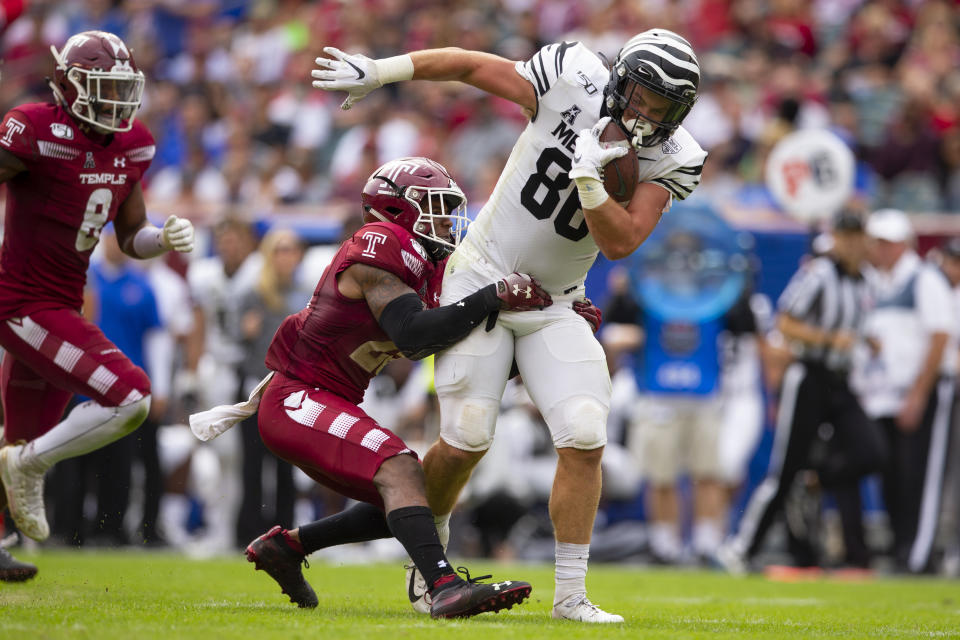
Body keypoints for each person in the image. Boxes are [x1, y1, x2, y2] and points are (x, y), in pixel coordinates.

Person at [312, 28, 706, 622]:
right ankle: (431, 566)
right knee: (467, 436)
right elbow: (471, 66)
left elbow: (621, 241)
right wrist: (381, 71)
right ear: (621, 79)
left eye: (665, 105)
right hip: (483, 277)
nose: (650, 112)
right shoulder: (574, 76)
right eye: (644, 94)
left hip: (554, 299)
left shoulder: (675, 156)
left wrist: (592, 182)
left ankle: (571, 595)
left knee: (584, 430)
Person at [191, 157, 556, 618]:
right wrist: (494, 295)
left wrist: (546, 324)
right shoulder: (377, 243)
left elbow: (451, 350)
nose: (446, 220)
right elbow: (414, 335)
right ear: (400, 210)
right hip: (296, 397)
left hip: (327, 399)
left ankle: (287, 547)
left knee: (409, 495)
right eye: (437, 207)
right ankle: (442, 586)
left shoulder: (425, 270)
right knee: (400, 470)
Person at [0, 31, 194, 568]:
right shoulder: (36, 129)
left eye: (120, 88)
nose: (114, 101)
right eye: (101, 87)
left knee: (21, 432)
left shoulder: (132, 143)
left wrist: (162, 239)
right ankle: (30, 468)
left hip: (62, 300)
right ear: (67, 85)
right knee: (130, 398)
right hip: (21, 301)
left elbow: (131, 235)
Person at [717, 210, 888, 573]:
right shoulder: (819, 274)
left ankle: (816, 480)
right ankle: (742, 548)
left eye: (859, 235)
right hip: (808, 375)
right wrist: (828, 338)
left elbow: (853, 327)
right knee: (785, 469)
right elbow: (786, 322)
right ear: (837, 238)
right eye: (847, 235)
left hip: (841, 378)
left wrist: (866, 341)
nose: (854, 243)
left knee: (870, 450)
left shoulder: (867, 280)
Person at [858, 209, 957, 573]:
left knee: (918, 475)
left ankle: (918, 554)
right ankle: (903, 547)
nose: (878, 250)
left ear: (901, 245)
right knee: (892, 474)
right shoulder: (875, 282)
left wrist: (918, 393)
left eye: (885, 243)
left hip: (918, 393)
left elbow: (940, 336)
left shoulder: (923, 278)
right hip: (883, 395)